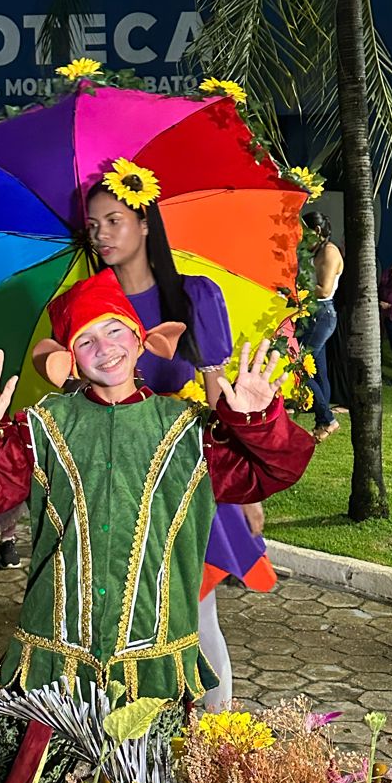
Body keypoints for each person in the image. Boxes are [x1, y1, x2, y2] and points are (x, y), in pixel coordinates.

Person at [0, 266, 314, 783]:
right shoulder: (42, 425)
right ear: (68, 359)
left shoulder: (190, 429)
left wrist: (257, 420)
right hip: (52, 657)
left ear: (140, 339)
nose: (103, 348)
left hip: (155, 659)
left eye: (114, 330)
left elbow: (276, 469)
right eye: (85, 339)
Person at [85, 171, 281, 708]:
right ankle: (131, 735)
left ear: (146, 222)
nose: (102, 234)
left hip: (186, 477)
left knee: (196, 616)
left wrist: (246, 488)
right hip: (116, 480)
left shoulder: (194, 296)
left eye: (114, 220)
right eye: (94, 225)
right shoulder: (92, 304)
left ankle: (216, 735)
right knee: (120, 618)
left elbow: (220, 400)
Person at [302, 223, 344, 440]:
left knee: (298, 365)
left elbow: (324, 290)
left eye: (305, 233)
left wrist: (295, 285)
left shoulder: (330, 252)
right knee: (318, 370)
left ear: (317, 230)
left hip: (321, 314)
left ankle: (327, 418)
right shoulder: (314, 250)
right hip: (310, 313)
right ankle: (322, 421)